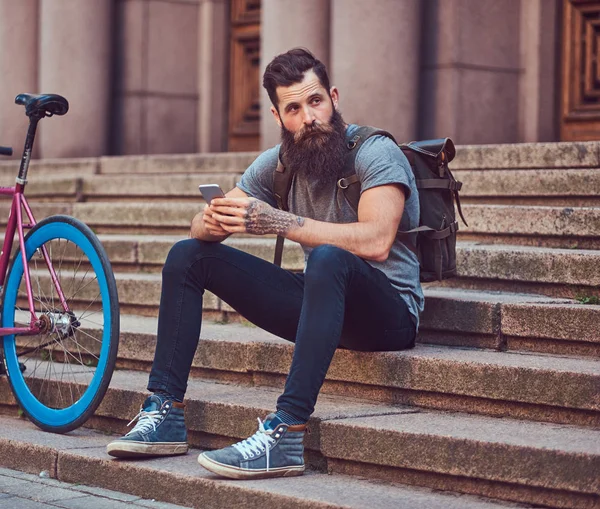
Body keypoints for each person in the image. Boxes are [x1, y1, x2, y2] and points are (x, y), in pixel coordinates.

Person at [106, 48, 423, 480]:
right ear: (278, 116)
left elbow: (377, 240)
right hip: (324, 308)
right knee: (187, 255)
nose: (308, 117)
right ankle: (165, 411)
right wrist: (215, 221)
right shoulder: (277, 164)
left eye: (315, 102)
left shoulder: (374, 151)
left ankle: (287, 432)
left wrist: (278, 221)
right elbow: (199, 223)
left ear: (333, 97)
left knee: (330, 259)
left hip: (389, 315)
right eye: (294, 108)